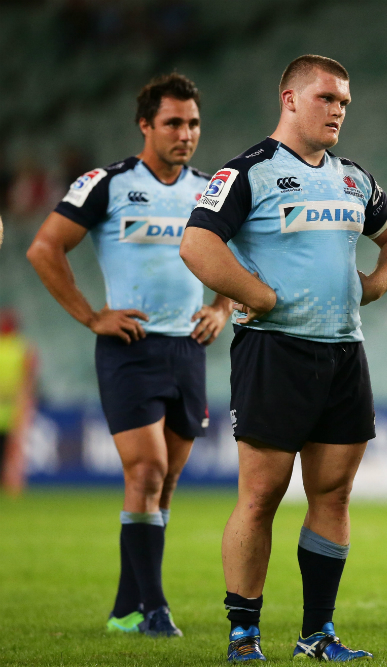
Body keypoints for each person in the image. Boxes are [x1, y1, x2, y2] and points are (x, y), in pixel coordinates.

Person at [179, 55, 387, 663]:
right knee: (261, 495)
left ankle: (318, 634)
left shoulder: (353, 179)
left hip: (342, 350)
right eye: (327, 98)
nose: (338, 110)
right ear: (290, 99)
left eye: (344, 102)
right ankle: (243, 634)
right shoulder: (249, 172)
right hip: (274, 352)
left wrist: (376, 284)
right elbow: (197, 241)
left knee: (332, 496)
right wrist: (252, 294)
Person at [26, 73, 230, 637]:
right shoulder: (106, 184)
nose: (185, 133)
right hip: (129, 348)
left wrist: (222, 307)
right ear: (145, 125)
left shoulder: (209, 190)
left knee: (161, 487)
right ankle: (156, 610)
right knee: (146, 469)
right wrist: (92, 315)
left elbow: (240, 257)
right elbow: (44, 248)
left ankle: (125, 608)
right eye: (173, 123)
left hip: (188, 351)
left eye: (192, 123)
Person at [0, 308, 36, 497]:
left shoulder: (23, 348)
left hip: (13, 405)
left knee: (13, 452)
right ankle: (13, 489)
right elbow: (30, 380)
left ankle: (13, 488)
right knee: (13, 453)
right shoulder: (24, 347)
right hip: (15, 405)